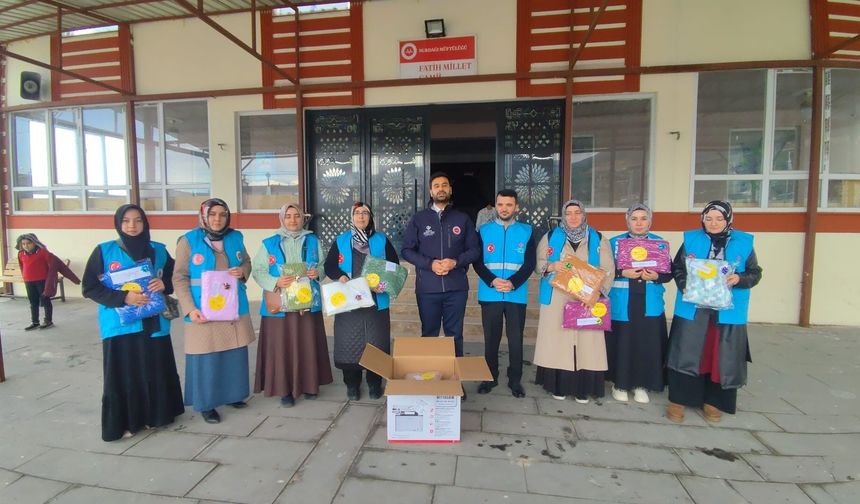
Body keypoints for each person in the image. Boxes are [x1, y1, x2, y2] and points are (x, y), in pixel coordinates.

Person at [82, 204, 184, 441]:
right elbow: (89, 287)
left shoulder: (158, 250)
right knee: (125, 374)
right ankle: (127, 421)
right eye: (126, 221)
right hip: (121, 326)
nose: (132, 226)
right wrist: (123, 297)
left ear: (145, 223)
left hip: (154, 323)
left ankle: (158, 416)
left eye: (138, 220)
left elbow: (175, 276)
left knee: (155, 368)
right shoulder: (104, 251)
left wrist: (165, 284)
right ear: (119, 224)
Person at [666, 200, 763, 423]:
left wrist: (739, 278)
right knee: (687, 351)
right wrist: (684, 285)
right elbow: (678, 267)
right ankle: (679, 399)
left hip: (728, 310)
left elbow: (755, 272)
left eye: (719, 218)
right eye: (708, 218)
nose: (713, 223)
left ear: (728, 219)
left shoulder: (744, 242)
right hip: (693, 308)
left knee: (721, 355)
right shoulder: (691, 239)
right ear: (702, 219)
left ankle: (714, 401)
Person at [174, 198, 255, 424]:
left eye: (222, 214)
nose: (217, 219)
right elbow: (179, 277)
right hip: (203, 309)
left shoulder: (235, 237)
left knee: (233, 352)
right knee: (206, 356)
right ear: (204, 216)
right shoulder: (188, 241)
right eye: (212, 214)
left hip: (232, 305)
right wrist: (190, 309)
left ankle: (233, 394)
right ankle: (207, 403)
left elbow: (247, 261)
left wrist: (242, 271)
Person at [252, 203, 333, 406]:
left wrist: (318, 273)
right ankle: (284, 389)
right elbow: (258, 270)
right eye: (288, 216)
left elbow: (323, 265)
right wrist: (275, 281)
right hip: (280, 305)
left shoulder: (313, 241)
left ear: (302, 218)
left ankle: (309, 384)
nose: (292, 220)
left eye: (296, 216)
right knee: (282, 347)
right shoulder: (269, 243)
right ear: (282, 218)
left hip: (307, 302)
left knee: (307, 344)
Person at [534, 199, 614, 403]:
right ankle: (559, 386)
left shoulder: (598, 239)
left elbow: (608, 269)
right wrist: (552, 266)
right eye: (568, 213)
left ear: (584, 214)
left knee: (588, 344)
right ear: (563, 216)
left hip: (587, 299)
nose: (573, 217)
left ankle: (583, 388)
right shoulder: (550, 237)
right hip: (557, 298)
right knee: (558, 342)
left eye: (577, 212)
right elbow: (539, 264)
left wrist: (596, 294)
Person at [401, 172, 481, 361]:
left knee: (455, 336)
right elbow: (406, 250)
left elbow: (475, 250)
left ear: (450, 190)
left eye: (445, 185)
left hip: (456, 288)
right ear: (431, 191)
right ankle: (430, 376)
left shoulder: (462, 219)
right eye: (436, 186)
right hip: (428, 289)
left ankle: (454, 377)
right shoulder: (419, 219)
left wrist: (456, 262)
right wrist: (430, 264)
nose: (441, 189)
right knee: (429, 335)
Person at [324, 202, 399, 401]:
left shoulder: (381, 240)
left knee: (376, 343)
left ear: (370, 216)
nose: (361, 216)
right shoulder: (341, 241)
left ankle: (374, 383)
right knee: (349, 344)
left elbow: (394, 265)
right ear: (352, 216)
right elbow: (330, 265)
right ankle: (352, 384)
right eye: (357, 213)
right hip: (349, 302)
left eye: (365, 212)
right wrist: (340, 276)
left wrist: (383, 282)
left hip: (376, 301)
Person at [605, 204, 671, 404]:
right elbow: (603, 270)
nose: (639, 223)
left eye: (643, 218)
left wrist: (657, 276)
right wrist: (621, 272)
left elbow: (669, 273)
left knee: (646, 344)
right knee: (623, 344)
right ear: (627, 221)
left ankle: (641, 385)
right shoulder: (614, 243)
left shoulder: (659, 244)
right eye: (634, 218)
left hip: (649, 302)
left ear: (650, 221)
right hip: (623, 302)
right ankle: (620, 384)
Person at [473, 189, 535, 398]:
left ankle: (515, 380)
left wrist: (513, 283)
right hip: (490, 293)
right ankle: (489, 377)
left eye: (509, 205)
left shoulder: (527, 231)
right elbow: (477, 262)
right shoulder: (483, 231)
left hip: (516, 294)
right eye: (500, 204)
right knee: (491, 339)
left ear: (516, 207)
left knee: (516, 340)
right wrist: (492, 280)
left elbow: (530, 263)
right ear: (496, 206)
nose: (504, 208)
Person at [16, 233, 80, 330]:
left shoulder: (43, 252)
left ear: (34, 243)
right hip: (29, 281)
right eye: (23, 244)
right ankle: (35, 322)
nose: (26, 246)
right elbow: (22, 266)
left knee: (45, 300)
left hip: (42, 281)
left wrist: (74, 279)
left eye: (28, 243)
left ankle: (48, 320)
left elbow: (57, 264)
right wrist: (25, 277)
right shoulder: (21, 254)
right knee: (33, 302)